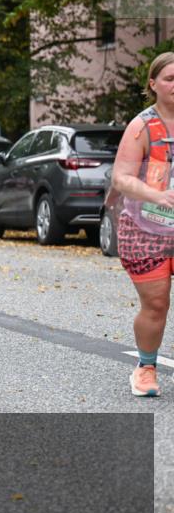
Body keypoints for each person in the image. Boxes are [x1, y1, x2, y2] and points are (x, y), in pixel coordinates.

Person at [112, 51, 174, 397]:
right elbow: (120, 178)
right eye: (169, 78)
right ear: (153, 84)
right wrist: (155, 195)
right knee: (157, 303)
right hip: (145, 231)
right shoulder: (142, 126)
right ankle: (146, 367)